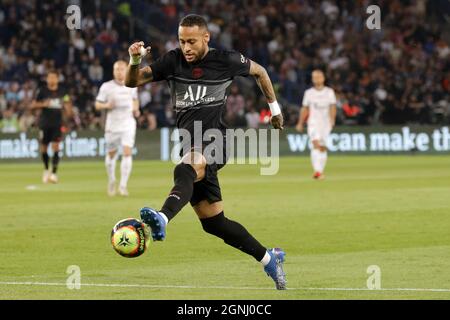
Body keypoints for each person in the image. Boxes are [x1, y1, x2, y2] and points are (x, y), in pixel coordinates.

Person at [125, 14, 286, 290]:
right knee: (214, 223)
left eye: (191, 41)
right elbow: (132, 81)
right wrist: (135, 59)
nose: (186, 47)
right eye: (181, 41)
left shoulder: (226, 60)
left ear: (206, 38)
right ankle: (270, 258)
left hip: (216, 140)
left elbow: (260, 72)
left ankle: (162, 218)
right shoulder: (172, 61)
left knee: (184, 168)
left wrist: (275, 109)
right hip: (190, 143)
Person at [95, 60, 140, 196]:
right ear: (113, 71)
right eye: (116, 69)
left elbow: (135, 99)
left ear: (126, 70)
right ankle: (112, 180)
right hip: (112, 125)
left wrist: (136, 109)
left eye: (121, 69)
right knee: (111, 154)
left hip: (128, 123)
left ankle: (123, 186)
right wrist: (106, 106)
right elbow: (97, 104)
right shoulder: (106, 87)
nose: (119, 71)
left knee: (127, 152)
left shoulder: (132, 85)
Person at [31, 70, 73, 183]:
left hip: (57, 124)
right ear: (47, 79)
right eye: (49, 78)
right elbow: (33, 105)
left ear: (57, 79)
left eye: (54, 77)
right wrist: (43, 104)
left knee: (56, 147)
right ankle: (45, 169)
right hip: (44, 123)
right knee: (44, 148)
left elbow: (67, 103)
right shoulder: (42, 91)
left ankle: (54, 173)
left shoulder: (62, 92)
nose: (52, 80)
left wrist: (68, 110)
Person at [296, 70, 337, 179]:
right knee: (315, 144)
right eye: (314, 76)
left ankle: (320, 171)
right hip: (313, 122)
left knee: (322, 147)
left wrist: (332, 120)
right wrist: (300, 122)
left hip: (325, 123)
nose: (317, 78)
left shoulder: (329, 92)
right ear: (312, 79)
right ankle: (317, 171)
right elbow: (305, 108)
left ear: (323, 78)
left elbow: (333, 107)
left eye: (319, 76)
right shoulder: (309, 93)